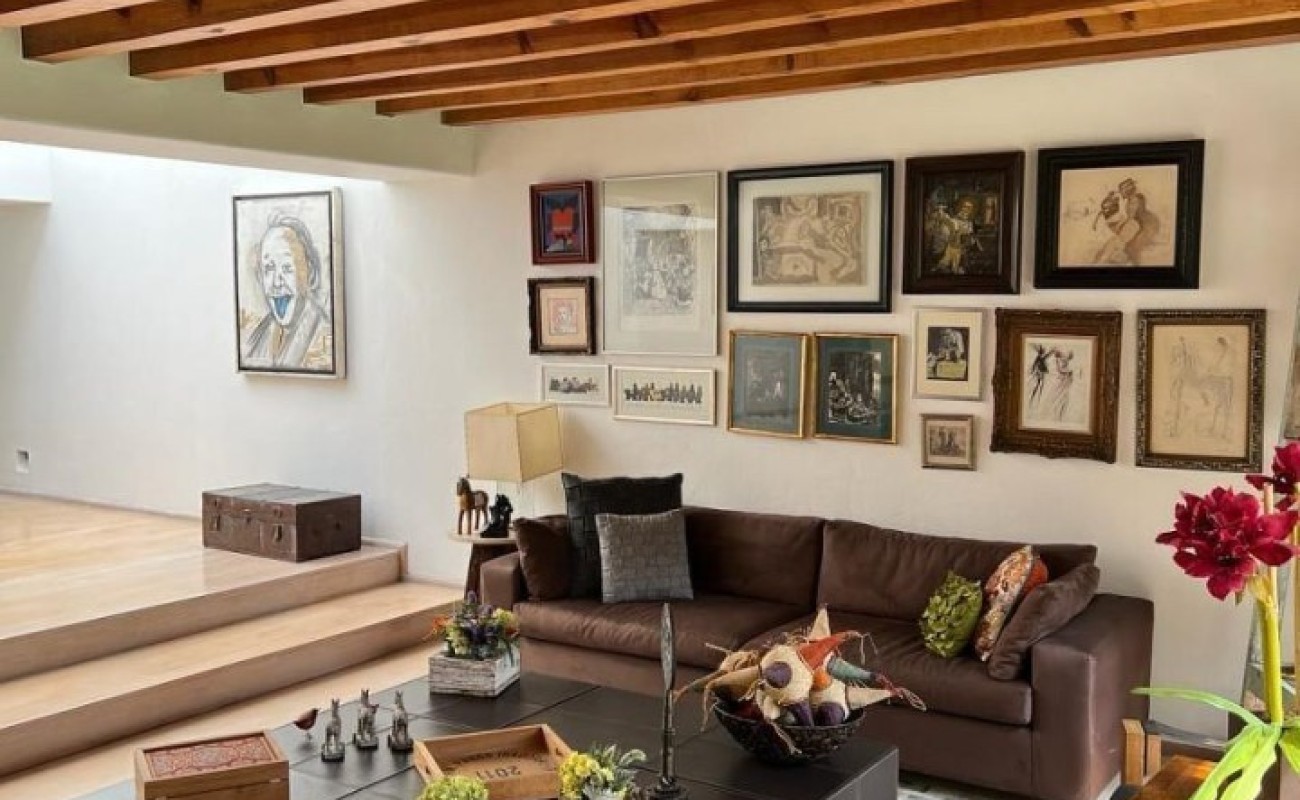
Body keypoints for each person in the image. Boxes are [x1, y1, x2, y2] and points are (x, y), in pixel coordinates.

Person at [242, 215, 333, 371]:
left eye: (287, 268)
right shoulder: (259, 336)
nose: (276, 282)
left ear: (311, 273)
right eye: (269, 268)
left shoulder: (325, 339)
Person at [927, 197, 980, 274]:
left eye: (969, 208)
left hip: (960, 250)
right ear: (960, 207)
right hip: (949, 247)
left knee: (956, 268)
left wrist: (969, 241)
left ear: (971, 210)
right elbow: (946, 225)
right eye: (964, 206)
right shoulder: (954, 220)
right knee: (943, 265)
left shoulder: (969, 224)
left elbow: (969, 237)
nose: (965, 209)